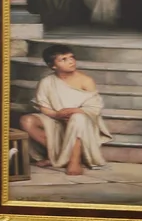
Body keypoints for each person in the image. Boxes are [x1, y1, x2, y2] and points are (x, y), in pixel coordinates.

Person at [26, 48, 107, 176]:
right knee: (27, 121)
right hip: (56, 120)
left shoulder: (86, 81)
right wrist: (57, 114)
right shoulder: (47, 82)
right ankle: (58, 156)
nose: (71, 61)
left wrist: (74, 111)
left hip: (83, 122)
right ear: (52, 65)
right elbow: (43, 106)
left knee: (77, 118)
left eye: (71, 57)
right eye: (64, 59)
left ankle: (74, 161)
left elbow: (94, 107)